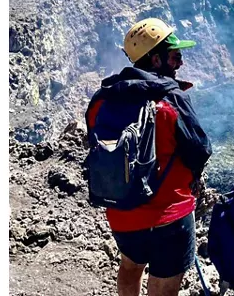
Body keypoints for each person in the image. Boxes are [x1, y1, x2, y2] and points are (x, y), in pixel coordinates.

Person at [85, 18, 212, 296]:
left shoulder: (101, 100)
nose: (180, 63)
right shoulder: (170, 99)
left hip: (121, 212)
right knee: (163, 288)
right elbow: (200, 149)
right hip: (170, 216)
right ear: (155, 60)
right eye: (175, 56)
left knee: (130, 266)